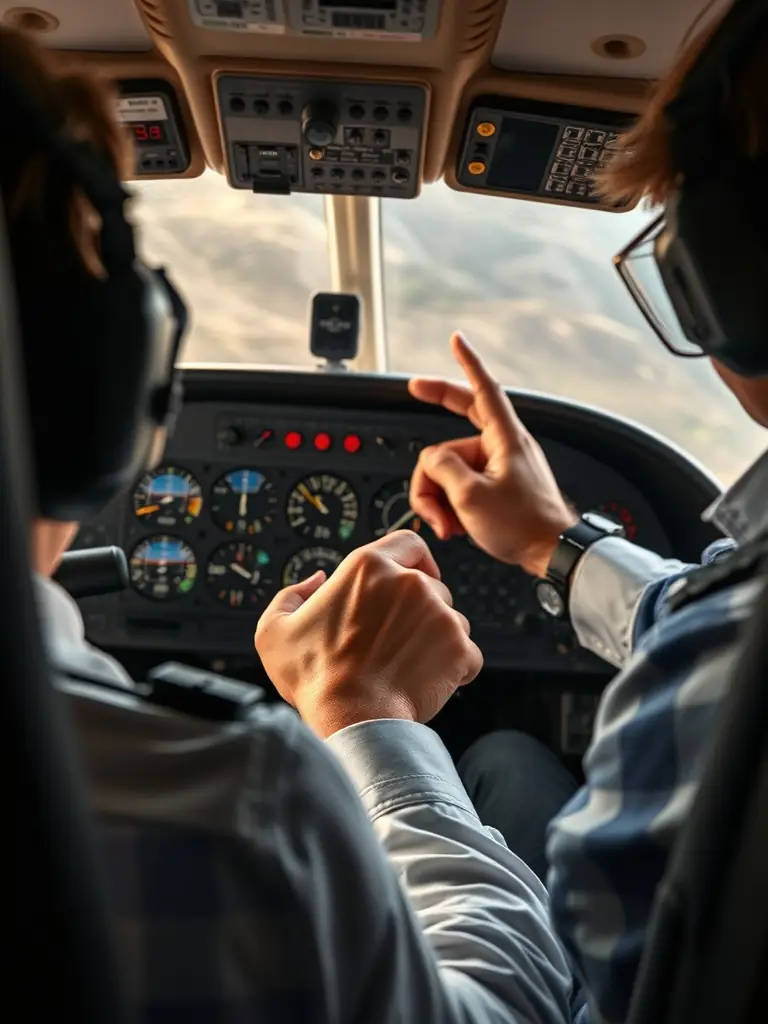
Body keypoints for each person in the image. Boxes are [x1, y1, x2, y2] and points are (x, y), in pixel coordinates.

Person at [3, 25, 577, 1024]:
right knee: (514, 771)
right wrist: (368, 715)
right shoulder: (230, 805)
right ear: (100, 390)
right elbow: (506, 1004)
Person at [407, 5, 768, 1024]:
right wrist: (551, 543)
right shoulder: (727, 634)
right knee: (512, 761)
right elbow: (712, 619)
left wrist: (374, 728)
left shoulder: (724, 670)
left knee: (487, 762)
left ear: (722, 279)